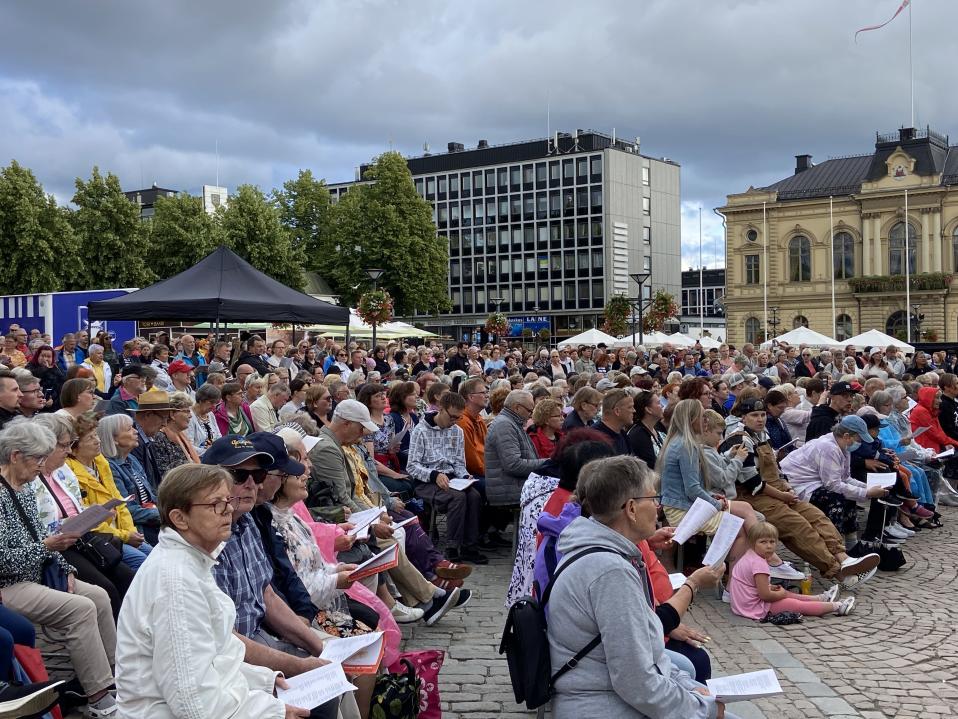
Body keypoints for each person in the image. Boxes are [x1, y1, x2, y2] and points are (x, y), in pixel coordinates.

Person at [546, 455, 734, 719]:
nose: (658, 508)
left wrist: (690, 688)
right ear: (631, 509)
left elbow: (648, 653)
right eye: (653, 499)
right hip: (600, 703)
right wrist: (703, 708)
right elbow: (636, 682)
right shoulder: (611, 571)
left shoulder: (602, 550)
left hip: (600, 690)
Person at [114, 463, 303, 718]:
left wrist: (264, 681)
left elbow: (216, 657)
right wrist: (271, 712)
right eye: (216, 504)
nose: (228, 511)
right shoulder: (176, 581)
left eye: (227, 501)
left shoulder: (192, 561)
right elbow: (194, 704)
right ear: (180, 518)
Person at [0, 420, 118, 718]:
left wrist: (64, 566)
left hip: (38, 571)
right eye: (38, 459)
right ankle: (99, 697)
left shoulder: (23, 488)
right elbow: (3, 560)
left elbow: (38, 536)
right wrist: (48, 548)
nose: (42, 467)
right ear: (15, 456)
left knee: (99, 596)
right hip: (9, 584)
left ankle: (117, 677)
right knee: (79, 608)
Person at [66, 412, 153, 572]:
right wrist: (125, 536)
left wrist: (130, 532)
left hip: (122, 532)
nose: (98, 441)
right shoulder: (69, 473)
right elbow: (87, 520)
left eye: (96, 436)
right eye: (91, 438)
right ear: (74, 447)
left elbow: (120, 503)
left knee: (155, 557)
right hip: (102, 537)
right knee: (143, 563)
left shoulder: (101, 462)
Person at [407, 392, 485, 565]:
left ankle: (469, 546)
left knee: (474, 496)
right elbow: (412, 466)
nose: (454, 421)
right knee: (457, 498)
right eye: (452, 417)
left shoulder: (456, 431)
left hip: (451, 478)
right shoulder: (420, 431)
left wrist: (465, 475)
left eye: (458, 418)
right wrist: (434, 475)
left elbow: (458, 462)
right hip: (426, 481)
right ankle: (452, 546)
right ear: (441, 409)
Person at [730, 522, 853, 620]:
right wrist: (781, 594)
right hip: (754, 607)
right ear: (752, 543)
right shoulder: (759, 564)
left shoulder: (750, 555)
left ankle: (820, 598)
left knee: (786, 594)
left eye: (772, 542)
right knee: (795, 604)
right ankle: (837, 607)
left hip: (742, 603)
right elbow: (765, 596)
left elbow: (753, 584)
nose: (768, 546)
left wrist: (772, 588)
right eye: (763, 542)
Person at [99, 412, 162, 547]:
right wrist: (163, 514)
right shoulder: (110, 466)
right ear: (114, 439)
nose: (135, 432)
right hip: (139, 528)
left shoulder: (131, 459)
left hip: (153, 518)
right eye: (129, 429)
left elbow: (151, 495)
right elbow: (128, 510)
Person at [485, 390, 547, 507]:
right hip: (510, 491)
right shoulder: (504, 425)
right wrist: (547, 463)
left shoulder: (511, 422)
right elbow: (513, 465)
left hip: (515, 487)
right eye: (529, 410)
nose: (531, 414)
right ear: (517, 408)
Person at [151, 392, 199, 478]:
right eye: (186, 411)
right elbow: (164, 474)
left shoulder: (181, 436)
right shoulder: (160, 438)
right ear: (172, 414)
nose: (190, 416)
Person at [627, 389, 666, 470]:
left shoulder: (656, 428)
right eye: (658, 403)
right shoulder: (638, 435)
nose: (662, 406)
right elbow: (650, 465)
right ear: (648, 409)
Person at [592, 388, 634, 455]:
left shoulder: (622, 433)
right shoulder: (595, 440)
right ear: (617, 411)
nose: (634, 411)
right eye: (630, 407)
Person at [187, 382, 223, 456]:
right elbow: (189, 446)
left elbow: (219, 436)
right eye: (211, 402)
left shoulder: (210, 414)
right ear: (201, 400)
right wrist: (209, 452)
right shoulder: (189, 416)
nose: (213, 406)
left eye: (215, 403)